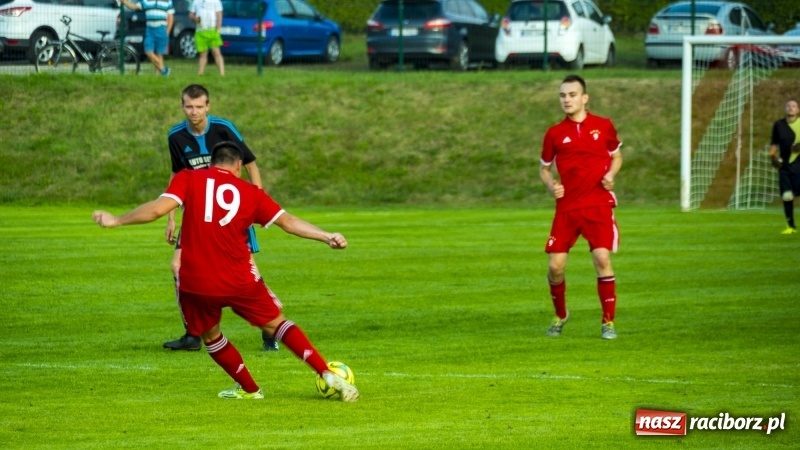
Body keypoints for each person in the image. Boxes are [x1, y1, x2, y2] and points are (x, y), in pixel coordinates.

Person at [92, 142, 359, 402]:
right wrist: (327, 236)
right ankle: (326, 372)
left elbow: (156, 210)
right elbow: (288, 223)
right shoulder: (251, 193)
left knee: (210, 335)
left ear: (211, 162)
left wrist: (116, 220)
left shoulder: (189, 178)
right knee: (277, 323)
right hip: (239, 278)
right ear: (239, 165)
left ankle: (250, 389)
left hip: (197, 281)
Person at [163, 84, 279, 352]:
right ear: (182, 107)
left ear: (208, 106)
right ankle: (193, 334)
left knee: (248, 272)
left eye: (199, 106)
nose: (194, 112)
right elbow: (176, 177)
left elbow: (249, 164)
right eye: (189, 106)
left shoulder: (224, 129)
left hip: (230, 212)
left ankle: (270, 329)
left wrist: (253, 203)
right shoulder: (176, 137)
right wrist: (171, 217)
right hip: (196, 216)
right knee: (178, 266)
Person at [539, 74, 623, 340]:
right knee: (555, 266)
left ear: (584, 98)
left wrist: (611, 174)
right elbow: (544, 169)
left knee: (601, 258)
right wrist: (552, 186)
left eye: (572, 95)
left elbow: (617, 156)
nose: (567, 99)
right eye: (562, 95)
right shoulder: (554, 133)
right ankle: (561, 314)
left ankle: (608, 322)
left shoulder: (604, 125)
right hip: (567, 207)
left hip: (597, 203)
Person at [769, 98, 800, 234]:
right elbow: (774, 143)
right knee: (787, 196)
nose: (790, 108)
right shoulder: (779, 125)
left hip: (799, 165)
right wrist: (772, 156)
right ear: (785, 109)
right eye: (788, 106)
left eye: (793, 106)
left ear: (798, 110)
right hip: (785, 167)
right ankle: (791, 226)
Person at [119, 0, 174, 76]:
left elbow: (171, 18)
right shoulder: (146, 1)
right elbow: (135, 6)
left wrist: (167, 31)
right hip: (150, 30)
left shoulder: (168, 1)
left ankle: (158, 76)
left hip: (162, 29)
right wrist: (125, 2)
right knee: (148, 52)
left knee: (159, 54)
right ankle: (164, 70)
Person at [189, 0, 225, 76]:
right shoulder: (196, 1)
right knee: (203, 54)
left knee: (216, 52)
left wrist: (218, 29)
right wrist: (195, 19)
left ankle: (222, 74)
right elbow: (191, 15)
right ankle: (200, 73)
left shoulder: (216, 1)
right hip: (201, 30)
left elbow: (219, 15)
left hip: (212, 29)